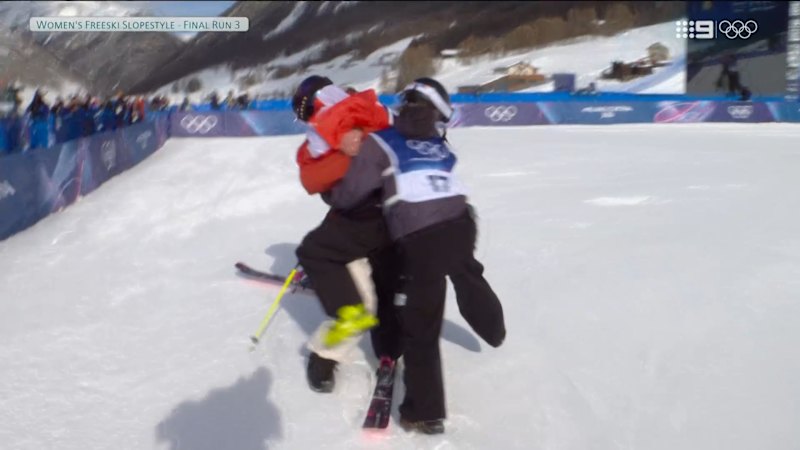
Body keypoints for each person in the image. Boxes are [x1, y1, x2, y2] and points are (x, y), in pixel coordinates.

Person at [328, 77, 506, 434]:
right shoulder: (442, 148)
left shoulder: (382, 142)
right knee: (466, 270)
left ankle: (425, 411)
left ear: (403, 104)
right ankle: (494, 328)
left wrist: (336, 198)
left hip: (420, 237)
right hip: (460, 223)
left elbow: (352, 192)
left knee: (422, 324)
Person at [291, 75, 401, 394]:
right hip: (354, 226)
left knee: (394, 296)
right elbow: (314, 179)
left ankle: (391, 352)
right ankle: (325, 355)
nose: (308, 121)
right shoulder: (323, 136)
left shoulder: (370, 112)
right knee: (360, 306)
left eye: (305, 113)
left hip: (393, 222)